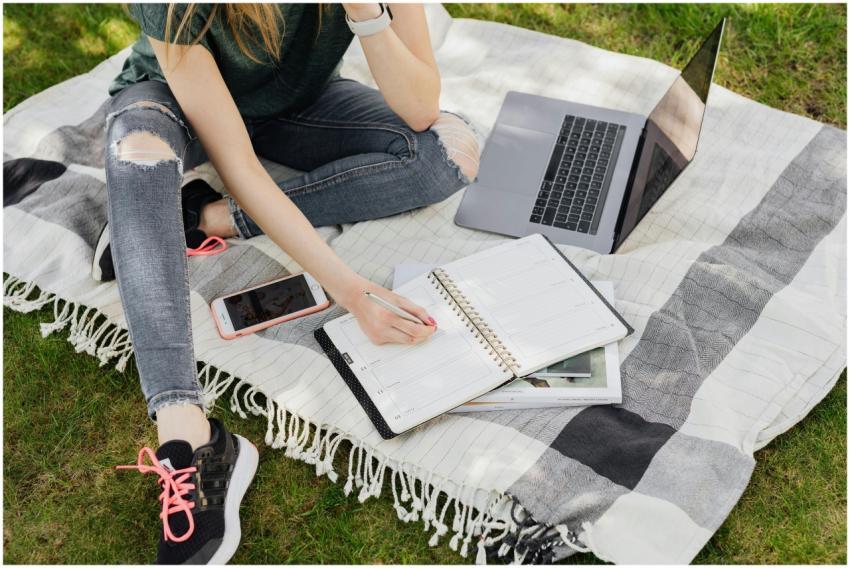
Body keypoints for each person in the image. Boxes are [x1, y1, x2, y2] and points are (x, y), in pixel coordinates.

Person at [101, 3, 480, 564]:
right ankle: (190, 437)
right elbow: (239, 163)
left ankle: (190, 218)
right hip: (174, 103)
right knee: (138, 154)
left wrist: (365, 11)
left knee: (446, 154)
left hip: (295, 107)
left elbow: (421, 107)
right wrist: (350, 289)